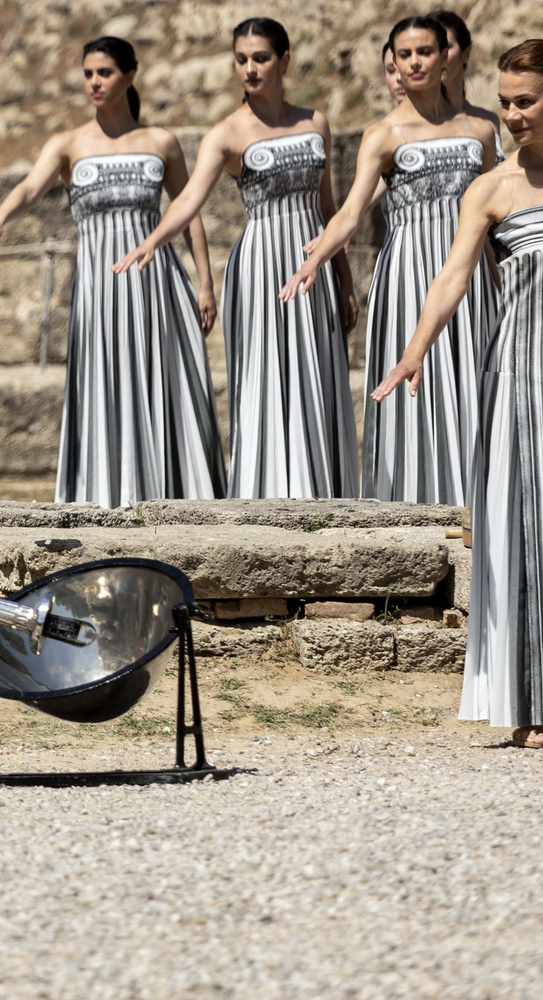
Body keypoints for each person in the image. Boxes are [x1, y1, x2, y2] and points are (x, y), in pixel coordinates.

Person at [0, 36, 224, 509]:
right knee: (105, 382)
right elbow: (30, 187)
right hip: (100, 288)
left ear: (129, 75)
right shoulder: (67, 144)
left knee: (163, 382)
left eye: (104, 72)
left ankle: (174, 495)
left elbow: (188, 213)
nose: (94, 82)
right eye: (88, 74)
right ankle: (108, 495)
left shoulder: (161, 142)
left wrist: (205, 283)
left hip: (155, 285)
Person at [373, 39, 543, 751]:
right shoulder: (491, 189)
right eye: (504, 103)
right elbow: (452, 278)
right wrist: (415, 350)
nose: (512, 115)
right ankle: (530, 701)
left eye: (526, 101)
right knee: (524, 530)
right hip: (520, 376)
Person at [115, 19, 357, 500]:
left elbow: (329, 208)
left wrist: (344, 277)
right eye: (241, 60)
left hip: (314, 260)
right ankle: (269, 492)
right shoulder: (225, 133)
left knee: (317, 369)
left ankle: (323, 493)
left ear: (284, 60)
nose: (250, 69)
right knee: (267, 374)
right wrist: (154, 238)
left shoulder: (316, 121)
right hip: (262, 264)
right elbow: (189, 199)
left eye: (260, 58)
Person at [282, 16, 498, 505]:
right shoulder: (382, 134)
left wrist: (499, 278)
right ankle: (414, 502)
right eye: (405, 55)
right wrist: (317, 257)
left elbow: (490, 219)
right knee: (414, 385)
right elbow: (350, 212)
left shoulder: (482, 130)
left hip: (468, 275)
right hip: (407, 273)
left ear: (446, 57)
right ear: (395, 63)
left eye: (425, 51)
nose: (415, 62)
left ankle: (477, 502)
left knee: (471, 379)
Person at [429, 9, 506, 160]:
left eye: (446, 47)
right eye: (429, 49)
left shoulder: (488, 120)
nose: (438, 56)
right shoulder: (410, 124)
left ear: (466, 54)